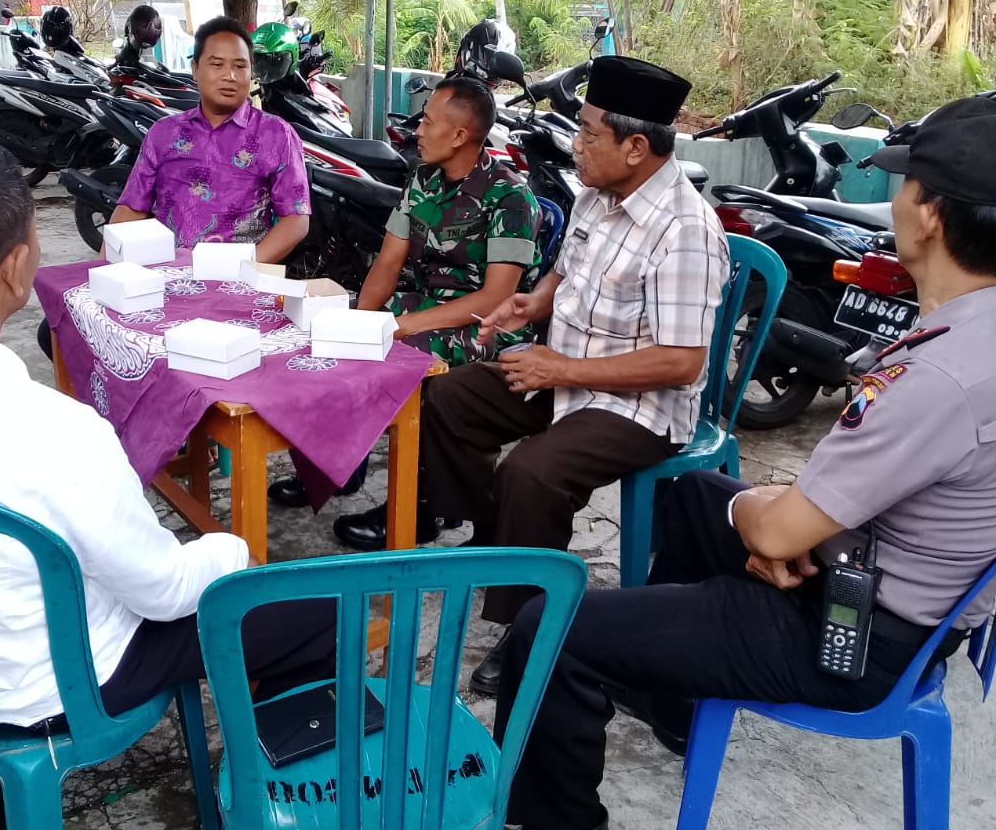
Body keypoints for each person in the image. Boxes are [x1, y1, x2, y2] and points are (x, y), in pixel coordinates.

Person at [0, 139, 336, 830]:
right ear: (16, 269)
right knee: (315, 608)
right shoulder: (56, 431)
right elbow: (163, 593)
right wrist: (230, 550)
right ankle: (285, 802)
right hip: (63, 688)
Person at [494, 95, 996, 830]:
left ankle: (556, 820)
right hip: (884, 579)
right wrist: (778, 526)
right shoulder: (973, 337)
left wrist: (771, 527)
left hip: (853, 632)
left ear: (930, 216)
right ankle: (669, 701)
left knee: (547, 629)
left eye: (906, 184)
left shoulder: (940, 376)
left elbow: (776, 532)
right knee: (700, 493)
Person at [417, 56, 729, 695]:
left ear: (636, 147)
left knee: (531, 472)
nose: (575, 144)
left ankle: (530, 626)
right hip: (563, 373)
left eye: (588, 133)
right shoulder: (595, 194)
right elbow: (566, 272)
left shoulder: (685, 230)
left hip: (640, 405)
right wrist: (533, 304)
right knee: (446, 396)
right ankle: (497, 536)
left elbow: (681, 362)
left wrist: (561, 367)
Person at [295, 76, 541, 542]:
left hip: (488, 326)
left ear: (460, 135)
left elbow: (496, 298)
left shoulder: (510, 197)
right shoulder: (424, 180)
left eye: (428, 122)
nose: (418, 130)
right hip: (424, 305)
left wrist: (402, 326)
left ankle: (421, 507)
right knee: (328, 333)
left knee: (410, 360)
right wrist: (359, 320)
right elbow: (388, 262)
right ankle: (334, 466)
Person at [107, 15, 310, 259]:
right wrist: (103, 268)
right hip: (167, 272)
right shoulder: (164, 133)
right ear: (195, 69)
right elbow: (131, 207)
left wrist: (244, 268)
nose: (230, 75)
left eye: (240, 66)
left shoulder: (276, 135)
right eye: (217, 64)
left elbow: (296, 219)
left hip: (240, 276)